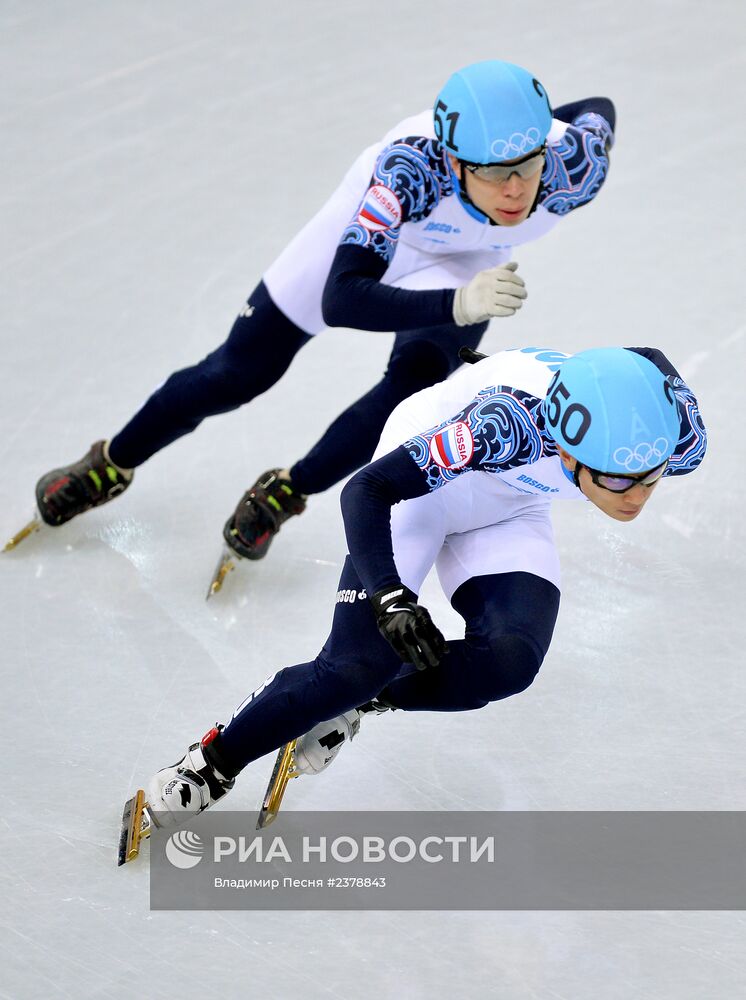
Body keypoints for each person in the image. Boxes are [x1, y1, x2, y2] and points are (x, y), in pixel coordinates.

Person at [34, 60, 616, 566]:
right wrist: (457, 304)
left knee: (411, 387)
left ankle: (288, 491)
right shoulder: (410, 171)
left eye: (528, 162)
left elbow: (598, 107)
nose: (515, 189)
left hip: (467, 256)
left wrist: (527, 126)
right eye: (492, 170)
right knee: (239, 372)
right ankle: (110, 462)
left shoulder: (574, 167)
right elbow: (342, 299)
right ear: (455, 161)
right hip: (371, 240)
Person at [127, 343, 707, 828]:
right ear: (565, 447)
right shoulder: (503, 429)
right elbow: (366, 490)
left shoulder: (678, 436)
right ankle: (211, 762)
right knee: (353, 666)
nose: (635, 495)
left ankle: (363, 701)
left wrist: (505, 362)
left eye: (651, 477)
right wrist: (390, 597)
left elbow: (646, 359)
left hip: (511, 504)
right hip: (419, 490)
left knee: (509, 662)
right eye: (614, 477)